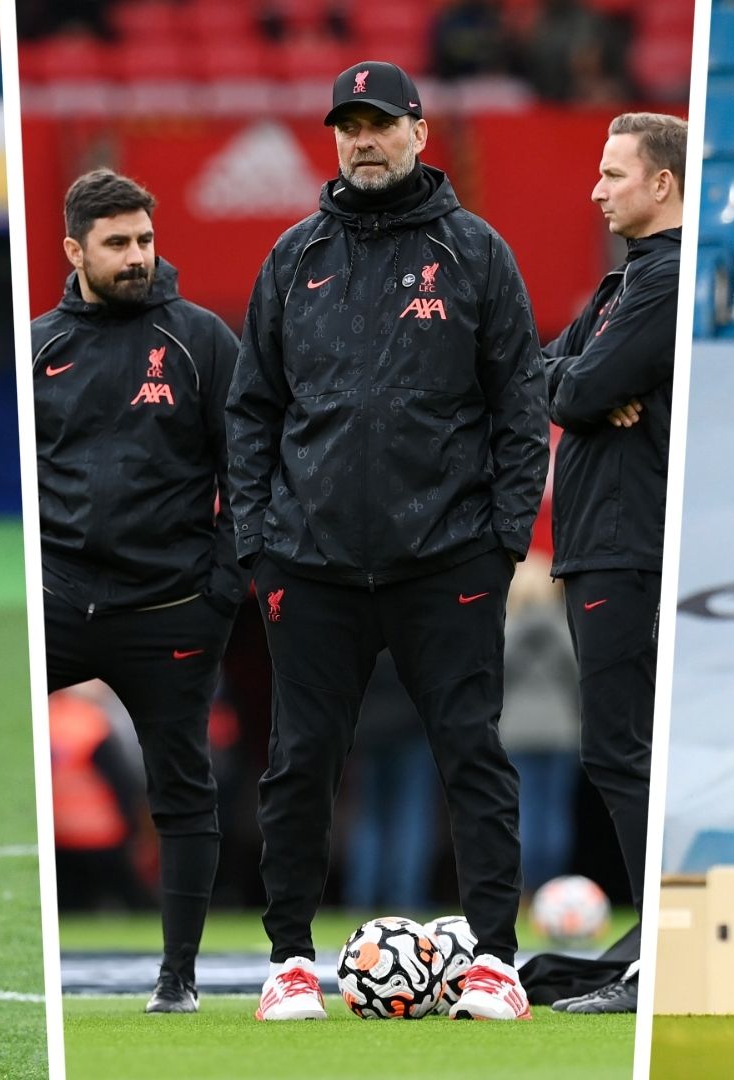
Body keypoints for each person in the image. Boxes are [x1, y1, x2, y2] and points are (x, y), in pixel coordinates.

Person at [227, 60, 549, 1022]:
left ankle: (495, 962)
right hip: (309, 561)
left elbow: (520, 403)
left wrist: (500, 542)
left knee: (472, 753)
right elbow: (252, 409)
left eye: (378, 124)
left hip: (447, 557)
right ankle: (290, 962)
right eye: (347, 126)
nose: (362, 141)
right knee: (299, 762)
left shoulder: (475, 251)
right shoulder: (293, 257)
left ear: (419, 131)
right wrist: (258, 544)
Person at [31, 168, 244, 1014]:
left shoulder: (200, 340)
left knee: (184, 787)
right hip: (57, 602)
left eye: (145, 240)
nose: (136, 257)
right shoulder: (41, 345)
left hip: (169, 610)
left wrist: (220, 589)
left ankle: (177, 978)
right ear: (74, 250)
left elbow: (251, 471)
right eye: (117, 243)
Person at [542, 110, 685, 1015]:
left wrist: (586, 386)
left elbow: (579, 385)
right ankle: (646, 944)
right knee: (619, 748)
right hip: (603, 544)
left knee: (622, 747)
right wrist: (582, 385)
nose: (596, 191)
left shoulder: (663, 280)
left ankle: (651, 960)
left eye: (614, 174)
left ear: (662, 183)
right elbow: (540, 375)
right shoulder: (618, 286)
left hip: (629, 544)